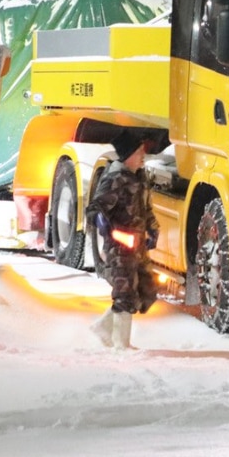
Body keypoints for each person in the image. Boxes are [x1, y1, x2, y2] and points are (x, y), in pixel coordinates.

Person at [86, 130, 160, 349]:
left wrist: (152, 229)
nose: (143, 155)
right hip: (120, 247)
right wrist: (101, 221)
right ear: (128, 155)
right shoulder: (115, 179)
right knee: (124, 294)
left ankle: (103, 327)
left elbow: (146, 209)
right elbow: (94, 209)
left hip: (138, 246)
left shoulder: (140, 177)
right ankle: (121, 344)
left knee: (145, 290)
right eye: (139, 152)